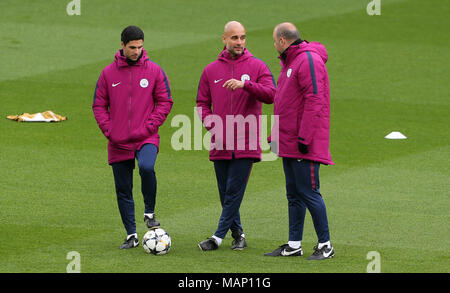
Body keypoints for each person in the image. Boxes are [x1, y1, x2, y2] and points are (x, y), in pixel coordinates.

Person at [196, 21, 276, 251]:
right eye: (234, 38)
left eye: (242, 37)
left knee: (233, 191)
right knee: (225, 193)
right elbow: (202, 103)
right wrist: (213, 126)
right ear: (224, 39)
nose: (239, 42)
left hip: (246, 142)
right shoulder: (210, 70)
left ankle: (217, 238)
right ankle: (238, 234)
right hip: (220, 141)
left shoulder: (258, 66)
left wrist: (246, 84)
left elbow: (272, 94)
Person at [92, 25, 173, 249]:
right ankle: (131, 235)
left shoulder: (155, 71)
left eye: (139, 47)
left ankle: (149, 212)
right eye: (132, 47)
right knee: (123, 189)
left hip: (145, 137)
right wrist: (109, 130)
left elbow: (165, 101)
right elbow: (99, 105)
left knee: (147, 167)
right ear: (122, 46)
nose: (136, 51)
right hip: (118, 142)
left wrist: (150, 126)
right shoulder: (108, 74)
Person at [264, 23, 335, 260]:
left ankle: (325, 245)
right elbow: (284, 104)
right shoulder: (291, 63)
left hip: (303, 142)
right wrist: (274, 137)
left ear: (283, 41)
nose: (274, 46)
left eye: (275, 42)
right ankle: (294, 244)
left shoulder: (308, 61)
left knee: (309, 192)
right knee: (293, 194)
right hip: (289, 141)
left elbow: (315, 99)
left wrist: (305, 137)